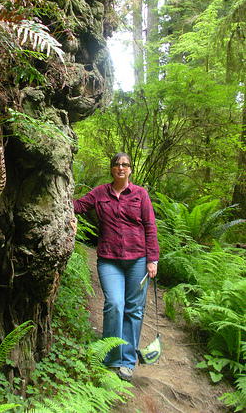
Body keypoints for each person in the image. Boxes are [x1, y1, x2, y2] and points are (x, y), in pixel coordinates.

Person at [73, 152, 159, 382]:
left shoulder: (141, 194)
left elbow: (150, 226)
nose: (121, 168)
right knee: (114, 303)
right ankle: (110, 356)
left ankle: (127, 362)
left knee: (134, 310)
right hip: (109, 259)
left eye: (125, 164)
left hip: (138, 261)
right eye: (116, 164)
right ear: (111, 169)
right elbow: (78, 206)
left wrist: (153, 260)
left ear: (130, 169)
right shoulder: (100, 193)